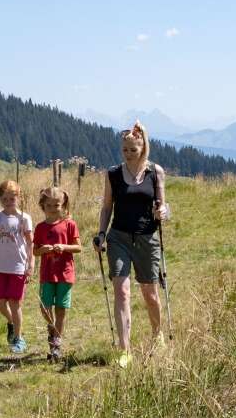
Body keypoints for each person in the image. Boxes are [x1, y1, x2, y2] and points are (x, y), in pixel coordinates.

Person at [92, 122, 169, 366]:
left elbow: (162, 205)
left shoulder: (155, 172)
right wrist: (102, 233)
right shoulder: (113, 174)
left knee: (150, 294)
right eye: (124, 149)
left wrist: (163, 212)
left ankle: (158, 335)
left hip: (147, 237)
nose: (127, 154)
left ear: (143, 147)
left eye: (132, 150)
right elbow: (107, 207)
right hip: (119, 237)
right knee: (121, 291)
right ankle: (125, 349)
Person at [0, 179, 33, 355]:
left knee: (15, 302)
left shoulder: (24, 218)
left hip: (18, 267)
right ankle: (11, 322)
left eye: (12, 198)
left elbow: (30, 243)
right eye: (5, 199)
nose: (9, 202)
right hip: (0, 267)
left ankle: (19, 338)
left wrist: (30, 264)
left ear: (18, 197)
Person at [33, 185, 82, 360]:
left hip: (65, 273)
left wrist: (64, 247)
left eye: (57, 205)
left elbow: (78, 247)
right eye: (49, 206)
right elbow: (35, 251)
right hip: (47, 274)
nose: (53, 209)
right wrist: (43, 250)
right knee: (44, 307)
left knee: (61, 309)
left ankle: (56, 344)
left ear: (63, 205)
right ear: (43, 206)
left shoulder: (69, 225)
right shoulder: (40, 228)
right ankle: (52, 330)